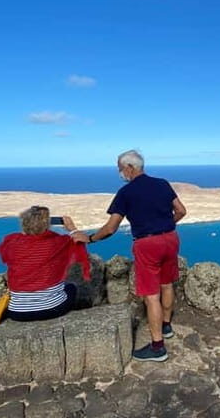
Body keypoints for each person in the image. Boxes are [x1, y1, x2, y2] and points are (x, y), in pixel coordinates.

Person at [75, 150, 186, 362]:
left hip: (147, 244)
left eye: (120, 168)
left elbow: (110, 228)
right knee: (167, 284)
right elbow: (181, 210)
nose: (119, 172)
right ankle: (166, 326)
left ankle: (157, 347)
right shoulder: (162, 183)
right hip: (170, 238)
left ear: (130, 167)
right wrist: (166, 225)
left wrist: (89, 239)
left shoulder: (125, 193)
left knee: (151, 295)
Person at [0, 206, 90, 321]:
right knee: (71, 287)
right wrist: (72, 228)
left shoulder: (12, 242)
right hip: (53, 308)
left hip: (17, 312)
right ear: (47, 225)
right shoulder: (58, 242)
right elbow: (81, 240)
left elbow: (8, 256)